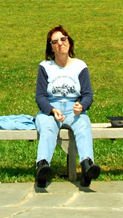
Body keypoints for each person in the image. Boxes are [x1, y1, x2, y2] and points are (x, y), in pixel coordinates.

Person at [35, 24, 101, 189]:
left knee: (83, 124)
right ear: (51, 47)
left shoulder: (80, 66)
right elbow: (40, 96)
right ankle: (42, 166)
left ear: (69, 42)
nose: (60, 43)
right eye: (55, 41)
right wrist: (51, 110)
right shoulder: (45, 67)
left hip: (73, 107)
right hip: (51, 108)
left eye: (63, 39)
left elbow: (88, 94)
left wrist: (82, 106)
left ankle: (87, 165)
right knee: (48, 127)